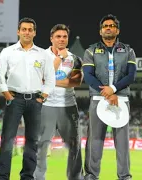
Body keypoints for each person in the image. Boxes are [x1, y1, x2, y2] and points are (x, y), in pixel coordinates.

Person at [0, 17, 56, 180]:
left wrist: (42, 97)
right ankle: (2, 176)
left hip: (35, 101)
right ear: (18, 31)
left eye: (30, 29)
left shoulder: (42, 54)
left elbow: (50, 78)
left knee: (32, 141)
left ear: (34, 32)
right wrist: (6, 93)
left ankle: (27, 176)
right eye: (24, 29)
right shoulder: (8, 52)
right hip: (15, 99)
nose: (27, 32)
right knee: (7, 139)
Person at [82, 14, 136, 180]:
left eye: (112, 25)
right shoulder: (91, 50)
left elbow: (131, 76)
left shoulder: (128, 50)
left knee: (122, 143)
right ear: (100, 31)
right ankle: (91, 175)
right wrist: (106, 92)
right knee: (95, 140)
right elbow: (88, 76)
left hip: (121, 100)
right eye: (105, 25)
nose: (108, 28)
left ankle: (124, 176)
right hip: (99, 99)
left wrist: (112, 89)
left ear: (117, 30)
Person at [34, 24, 84, 180]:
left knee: (74, 146)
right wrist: (59, 58)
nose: (62, 39)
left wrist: (49, 80)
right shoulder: (40, 56)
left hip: (68, 107)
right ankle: (38, 177)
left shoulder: (75, 59)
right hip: (46, 106)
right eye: (58, 36)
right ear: (51, 38)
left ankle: (75, 177)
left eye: (64, 36)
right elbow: (38, 79)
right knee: (42, 146)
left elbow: (76, 82)